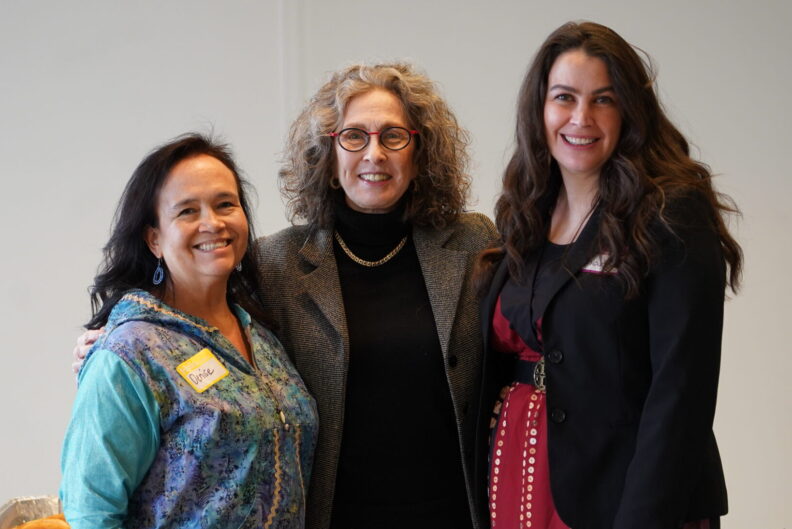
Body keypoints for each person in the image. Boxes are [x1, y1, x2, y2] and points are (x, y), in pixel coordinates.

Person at [474, 22, 742, 529]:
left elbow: (681, 390)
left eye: (603, 100)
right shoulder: (525, 213)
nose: (582, 118)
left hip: (627, 496)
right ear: (539, 109)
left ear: (630, 112)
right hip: (521, 483)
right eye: (564, 97)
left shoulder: (669, 212)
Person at [257, 63, 498, 529]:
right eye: (354, 137)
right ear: (328, 157)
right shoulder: (276, 264)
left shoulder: (474, 242)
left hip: (454, 514)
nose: (374, 153)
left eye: (393, 136)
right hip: (336, 517)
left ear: (420, 154)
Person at [61, 134, 318, 529]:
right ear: (154, 238)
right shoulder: (130, 353)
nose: (212, 223)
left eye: (225, 204)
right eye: (187, 211)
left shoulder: (264, 335)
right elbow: (91, 513)